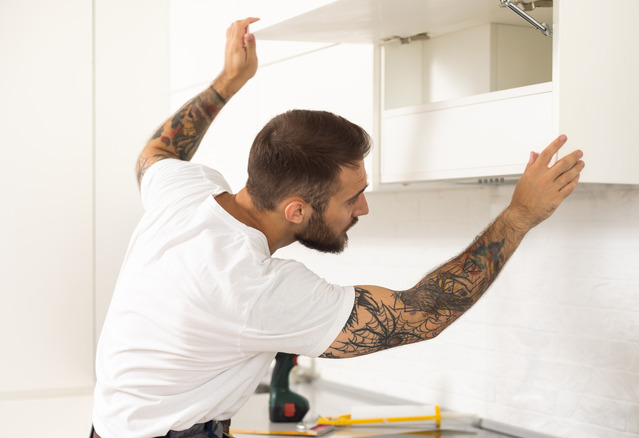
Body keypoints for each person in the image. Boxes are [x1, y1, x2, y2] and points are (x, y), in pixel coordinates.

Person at [92, 17, 584, 438]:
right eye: (351, 198)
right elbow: (422, 316)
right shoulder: (250, 287)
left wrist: (228, 81)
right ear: (296, 211)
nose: (363, 209)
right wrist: (519, 215)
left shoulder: (185, 195)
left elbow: (156, 152)